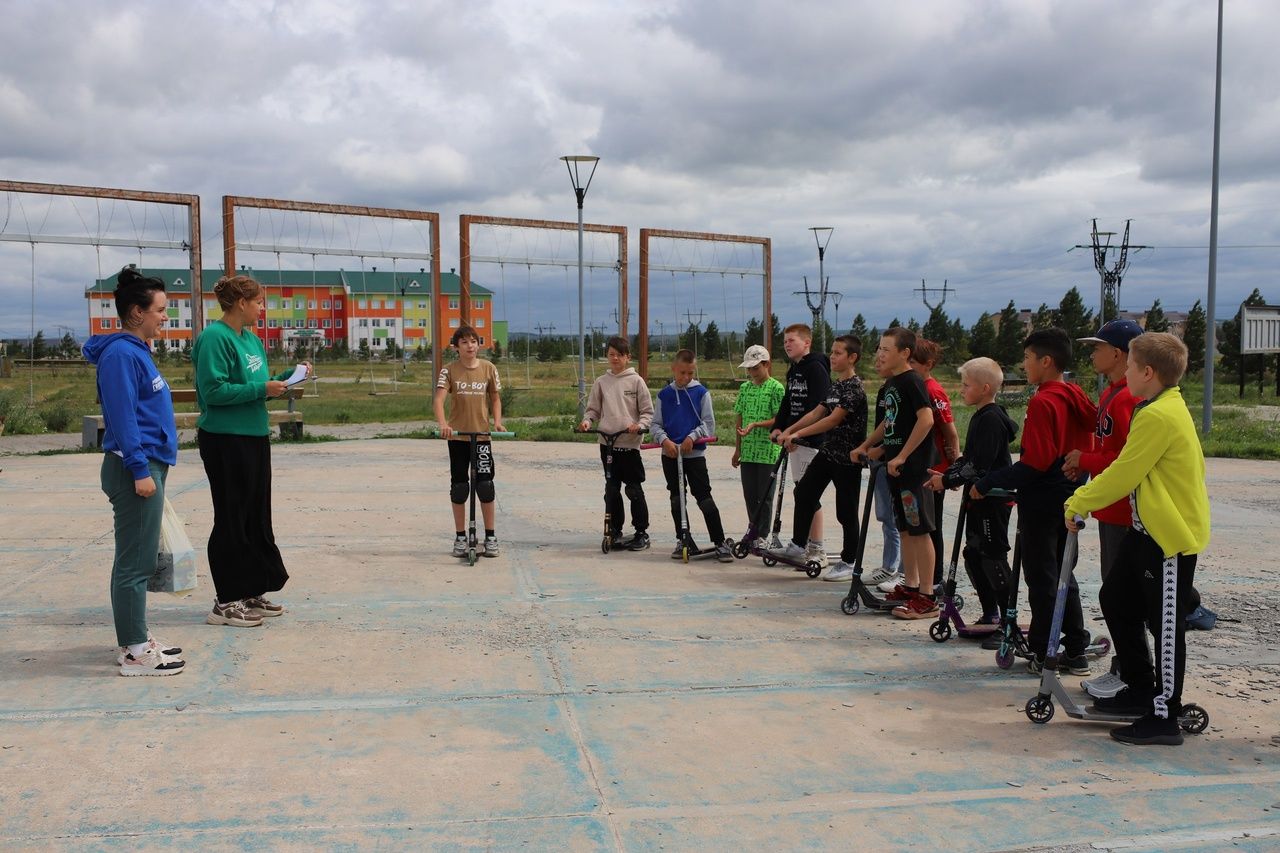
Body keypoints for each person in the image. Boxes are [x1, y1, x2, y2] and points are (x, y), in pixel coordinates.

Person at [1065, 333, 1209, 746]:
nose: (1124, 372)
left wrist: (1079, 501)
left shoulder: (1158, 415)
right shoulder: (1158, 406)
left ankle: (1165, 715)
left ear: (1148, 373)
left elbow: (1125, 472)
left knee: (1165, 626)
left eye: (1130, 366)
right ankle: (1142, 688)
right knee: (1115, 599)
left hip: (1168, 539)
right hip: (1146, 531)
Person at [970, 328, 1096, 673]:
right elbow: (1090, 440)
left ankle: (1044, 651)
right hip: (1070, 494)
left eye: (1027, 358)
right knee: (1063, 573)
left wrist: (989, 481)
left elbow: (1037, 460)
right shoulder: (1076, 393)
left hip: (1042, 498)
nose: (1023, 365)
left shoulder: (1044, 399)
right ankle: (1076, 648)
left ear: (1046, 361)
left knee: (1042, 579)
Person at [83, 266, 185, 675]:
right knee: (133, 563)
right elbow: (124, 421)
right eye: (161, 310)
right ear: (136, 312)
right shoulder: (122, 355)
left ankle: (136, 636)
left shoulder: (135, 351)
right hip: (133, 470)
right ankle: (134, 652)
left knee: (138, 559)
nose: (166, 317)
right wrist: (142, 471)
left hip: (145, 467)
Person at [193, 274, 308, 628]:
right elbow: (214, 391)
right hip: (225, 438)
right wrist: (262, 388)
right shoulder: (215, 338)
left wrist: (290, 377)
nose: (263, 308)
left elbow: (257, 382)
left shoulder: (251, 340)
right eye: (259, 301)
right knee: (231, 517)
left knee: (254, 515)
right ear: (241, 303)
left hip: (254, 435)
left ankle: (250, 589)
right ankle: (225, 601)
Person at [1063, 319, 1144, 698]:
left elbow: (1127, 459)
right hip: (1110, 509)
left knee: (1123, 598)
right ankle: (1124, 668)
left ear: (1119, 353)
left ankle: (1131, 673)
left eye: (1099, 347)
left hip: (1126, 514)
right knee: (1117, 595)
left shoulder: (1128, 396)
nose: (1093, 353)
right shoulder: (1112, 392)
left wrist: (1086, 458)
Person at [850, 327, 938, 620]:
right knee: (905, 527)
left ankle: (927, 595)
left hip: (912, 471)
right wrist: (867, 445)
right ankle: (910, 585)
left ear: (905, 353)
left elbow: (926, 419)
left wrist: (902, 455)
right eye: (879, 349)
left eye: (886, 350)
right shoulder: (891, 385)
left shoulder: (911, 381)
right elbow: (888, 424)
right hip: (896, 471)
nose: (880, 354)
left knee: (919, 530)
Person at [929, 357, 1017, 625]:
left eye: (967, 385)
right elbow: (969, 459)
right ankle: (990, 613)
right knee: (974, 555)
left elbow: (981, 465)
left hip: (993, 499)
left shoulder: (991, 418)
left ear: (985, 388)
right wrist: (948, 474)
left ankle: (1006, 620)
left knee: (993, 558)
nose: (962, 390)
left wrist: (947, 481)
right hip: (978, 497)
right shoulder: (981, 415)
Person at [776, 335, 868, 582]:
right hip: (829, 452)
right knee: (804, 492)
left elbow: (832, 419)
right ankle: (797, 545)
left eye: (838, 353)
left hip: (848, 458)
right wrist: (789, 430)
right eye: (832, 352)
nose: (832, 357)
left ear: (852, 358)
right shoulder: (835, 386)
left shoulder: (854, 388)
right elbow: (817, 412)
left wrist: (797, 433)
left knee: (846, 512)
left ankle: (850, 562)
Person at [650, 349, 732, 562]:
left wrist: (692, 437)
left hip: (694, 455)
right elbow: (655, 424)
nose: (686, 378)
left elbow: (709, 424)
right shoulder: (664, 395)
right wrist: (664, 440)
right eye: (682, 373)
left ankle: (720, 542)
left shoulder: (701, 392)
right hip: (670, 455)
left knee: (704, 497)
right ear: (673, 369)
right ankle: (683, 539)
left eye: (690, 373)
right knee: (677, 499)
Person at [434, 324, 505, 557]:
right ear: (457, 347)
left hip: (482, 437)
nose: (469, 346)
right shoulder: (449, 370)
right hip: (458, 438)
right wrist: (444, 425)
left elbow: (495, 398)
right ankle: (460, 537)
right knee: (459, 487)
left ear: (479, 344)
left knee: (485, 486)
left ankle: (491, 536)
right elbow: (439, 400)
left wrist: (497, 422)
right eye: (464, 342)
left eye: (473, 341)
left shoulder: (489, 368)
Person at [579, 335, 654, 551]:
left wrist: (639, 425)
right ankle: (615, 529)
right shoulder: (602, 382)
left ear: (627, 357)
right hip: (608, 443)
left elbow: (648, 412)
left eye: (619, 355)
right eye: (611, 354)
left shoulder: (636, 381)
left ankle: (641, 531)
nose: (615, 358)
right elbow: (592, 409)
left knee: (633, 489)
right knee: (611, 489)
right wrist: (587, 421)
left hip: (629, 444)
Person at [769, 324, 832, 565]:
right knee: (801, 492)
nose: (787, 344)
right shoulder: (794, 369)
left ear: (807, 343)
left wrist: (794, 433)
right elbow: (788, 402)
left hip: (809, 440)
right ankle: (803, 543)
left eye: (792, 340)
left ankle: (816, 548)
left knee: (808, 494)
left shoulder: (815, 368)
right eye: (785, 341)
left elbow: (818, 408)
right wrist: (778, 426)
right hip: (794, 439)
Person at [912, 338, 961, 589]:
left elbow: (950, 432)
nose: (908, 366)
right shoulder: (915, 386)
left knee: (932, 527)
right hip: (918, 468)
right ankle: (922, 577)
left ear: (928, 364)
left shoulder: (933, 391)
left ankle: (936, 578)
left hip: (934, 471)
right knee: (919, 525)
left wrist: (954, 470)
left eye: (913, 362)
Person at [731, 344, 785, 548]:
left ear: (766, 364)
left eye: (755, 367)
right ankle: (752, 531)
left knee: (765, 496)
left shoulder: (776, 388)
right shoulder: (745, 388)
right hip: (748, 450)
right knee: (750, 494)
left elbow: (778, 419)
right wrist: (738, 449)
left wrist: (756, 425)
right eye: (749, 368)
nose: (752, 372)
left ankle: (763, 534)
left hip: (768, 451)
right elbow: (740, 417)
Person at [869, 381, 904, 591]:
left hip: (894, 460)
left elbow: (900, 426)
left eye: (885, 352)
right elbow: (886, 423)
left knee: (901, 520)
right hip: (880, 459)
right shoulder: (886, 389)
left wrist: (881, 449)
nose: (879, 359)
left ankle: (901, 571)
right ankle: (888, 566)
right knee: (885, 515)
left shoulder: (904, 387)